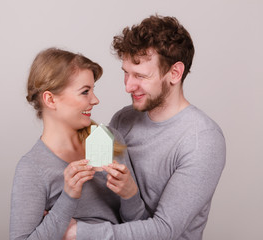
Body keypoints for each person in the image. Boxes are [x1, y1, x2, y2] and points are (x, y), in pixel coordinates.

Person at [64, 15, 226, 240]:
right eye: (125, 73)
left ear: (175, 73)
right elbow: (103, 200)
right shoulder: (123, 120)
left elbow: (164, 230)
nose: (128, 86)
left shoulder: (202, 140)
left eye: (140, 75)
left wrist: (78, 233)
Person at [9, 48, 139, 240]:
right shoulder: (32, 168)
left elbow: (142, 228)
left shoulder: (111, 140)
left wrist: (131, 195)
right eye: (85, 92)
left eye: (93, 90)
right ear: (50, 99)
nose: (95, 100)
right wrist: (68, 197)